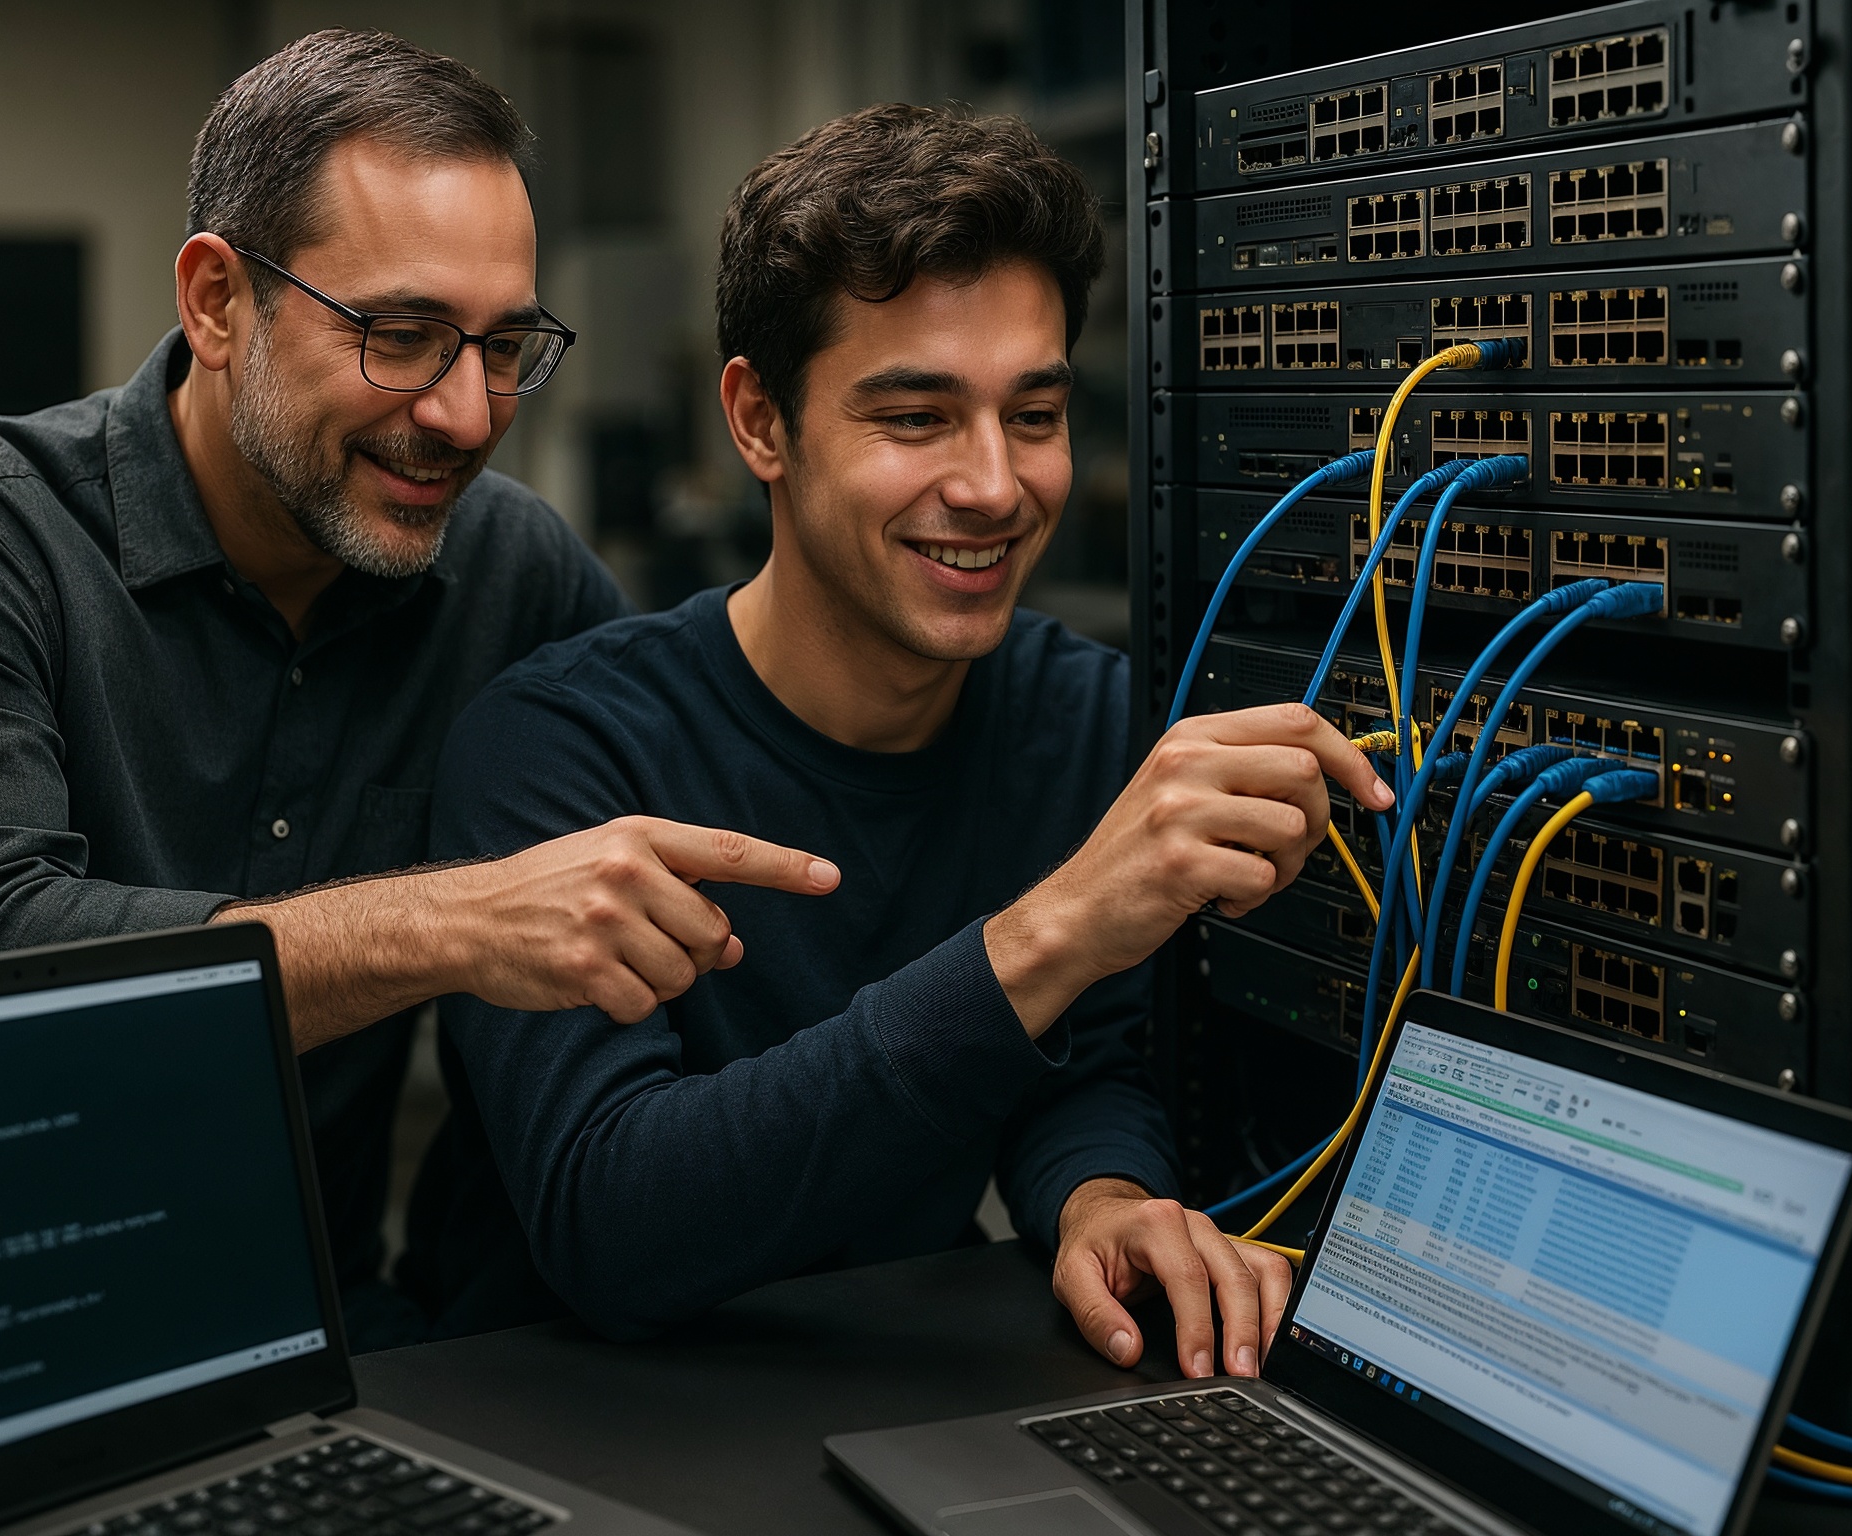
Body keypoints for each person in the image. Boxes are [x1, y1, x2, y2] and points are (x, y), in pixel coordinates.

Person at [0, 30, 833, 1348]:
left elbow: (706, 917)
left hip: (317, 1338)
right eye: (401, 335)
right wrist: (454, 924)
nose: (465, 413)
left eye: (505, 346)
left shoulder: (515, 573)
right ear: (220, 302)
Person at [411, 104, 1392, 1379]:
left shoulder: (1085, 718)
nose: (995, 484)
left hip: (883, 1395)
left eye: (1033, 414)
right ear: (761, 422)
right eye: (917, 417)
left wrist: (1099, 1198)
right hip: (555, 1424)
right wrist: (1053, 928)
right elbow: (615, 1228)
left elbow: (1069, 1066)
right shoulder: (556, 749)